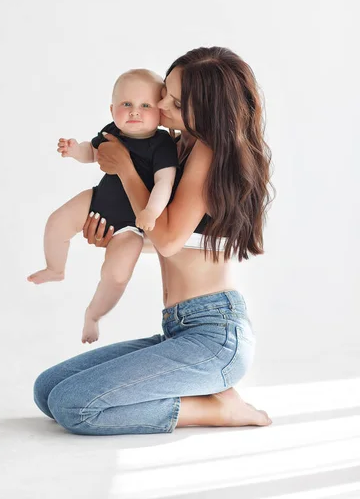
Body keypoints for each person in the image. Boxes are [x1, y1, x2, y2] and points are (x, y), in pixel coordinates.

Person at [33, 46, 274, 435]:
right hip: (180, 327)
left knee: (73, 405)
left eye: (174, 101)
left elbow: (167, 241)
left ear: (207, 111)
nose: (161, 104)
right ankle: (212, 394)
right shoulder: (177, 148)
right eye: (165, 92)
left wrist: (126, 169)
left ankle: (219, 409)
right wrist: (117, 236)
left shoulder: (208, 154)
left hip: (214, 333)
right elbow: (177, 241)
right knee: (46, 390)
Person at [27, 69, 179, 343]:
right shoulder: (112, 132)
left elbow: (164, 183)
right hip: (97, 200)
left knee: (117, 275)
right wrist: (75, 151)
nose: (135, 112)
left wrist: (151, 212)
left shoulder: (163, 144)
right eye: (126, 105)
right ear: (112, 109)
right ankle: (55, 268)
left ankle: (93, 315)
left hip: (132, 225)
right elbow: (93, 152)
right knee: (57, 220)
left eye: (145, 105)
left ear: (160, 111)